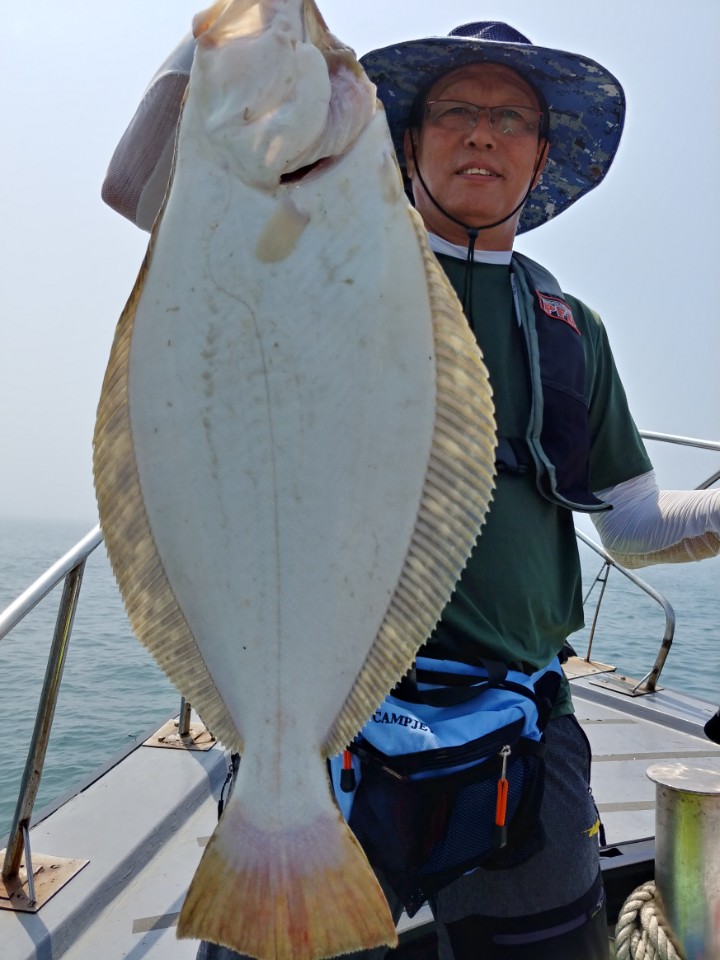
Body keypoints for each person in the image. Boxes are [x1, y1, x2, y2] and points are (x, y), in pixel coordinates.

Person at [102, 18, 720, 960]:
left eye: (511, 118)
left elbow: (632, 524)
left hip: (519, 729)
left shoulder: (569, 329)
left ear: (541, 152)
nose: (482, 134)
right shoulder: (316, 253)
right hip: (325, 736)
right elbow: (138, 186)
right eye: (456, 112)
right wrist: (224, 36)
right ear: (406, 137)